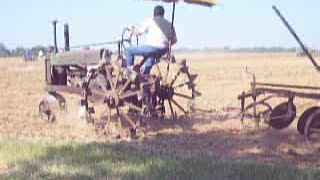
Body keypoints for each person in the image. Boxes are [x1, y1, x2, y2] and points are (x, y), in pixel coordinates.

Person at [126, 5, 177, 74]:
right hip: (163, 50)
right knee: (150, 56)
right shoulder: (169, 24)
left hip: (151, 48)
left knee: (129, 50)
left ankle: (129, 73)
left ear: (153, 13)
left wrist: (131, 30)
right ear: (163, 14)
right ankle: (144, 75)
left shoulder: (150, 21)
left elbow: (139, 32)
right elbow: (174, 41)